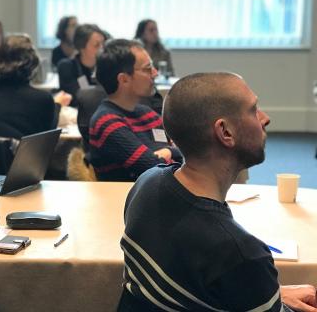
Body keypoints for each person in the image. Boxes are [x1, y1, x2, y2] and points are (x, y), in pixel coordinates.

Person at [118, 72, 317, 311]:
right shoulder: (240, 254)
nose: (265, 118)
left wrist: (273, 295)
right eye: (254, 110)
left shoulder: (147, 183)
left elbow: (192, 288)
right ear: (225, 132)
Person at [88, 39, 181, 181]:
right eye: (148, 68)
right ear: (124, 79)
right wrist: (171, 152)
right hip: (125, 200)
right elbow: (153, 168)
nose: (155, 73)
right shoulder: (107, 122)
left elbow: (188, 152)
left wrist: (169, 151)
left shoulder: (146, 113)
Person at [0, 34, 63, 138]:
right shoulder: (42, 99)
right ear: (32, 64)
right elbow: (47, 140)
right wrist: (57, 105)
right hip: (19, 154)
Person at [57, 24, 105, 103]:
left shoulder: (106, 66)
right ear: (82, 46)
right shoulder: (66, 66)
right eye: (96, 45)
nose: (102, 49)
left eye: (103, 44)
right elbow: (74, 97)